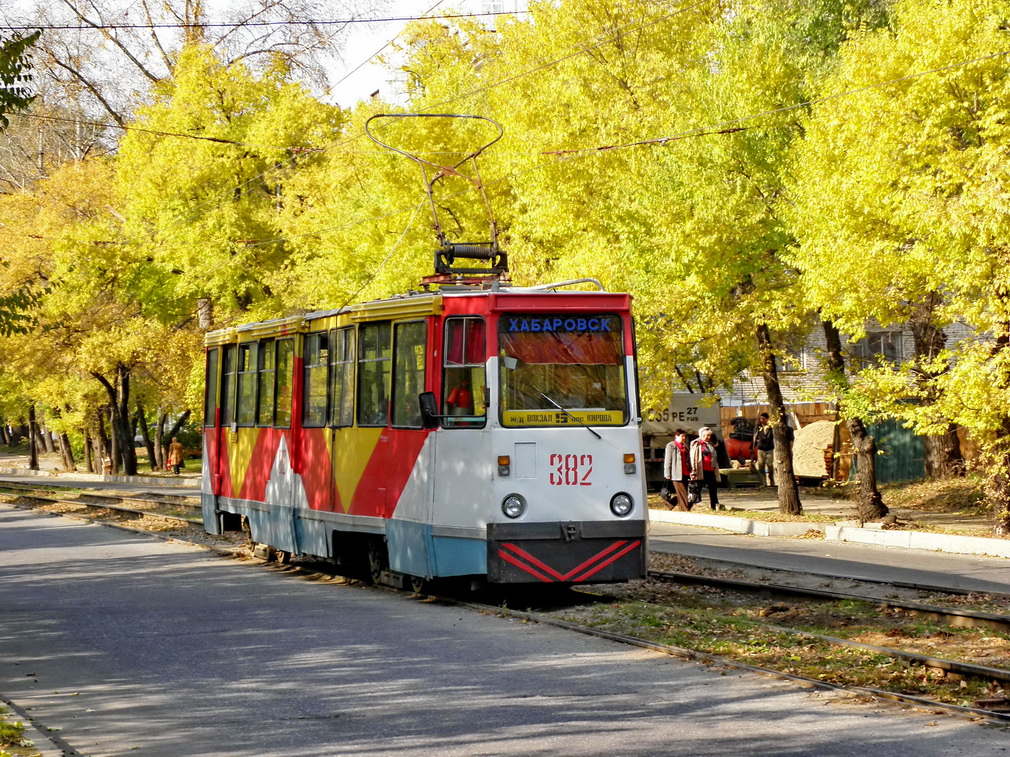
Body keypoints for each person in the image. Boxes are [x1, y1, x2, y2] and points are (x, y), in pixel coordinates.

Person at [690, 426, 723, 510]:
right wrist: (693, 470)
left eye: (709, 435)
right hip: (701, 470)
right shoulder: (696, 443)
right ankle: (689, 504)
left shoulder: (710, 444)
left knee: (713, 488)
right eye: (706, 435)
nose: (707, 437)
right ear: (701, 434)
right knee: (697, 489)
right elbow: (693, 457)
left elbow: (714, 456)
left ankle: (714, 505)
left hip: (710, 469)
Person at [663, 428, 692, 511]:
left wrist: (691, 471)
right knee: (683, 492)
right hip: (676, 473)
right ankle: (684, 509)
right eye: (682, 436)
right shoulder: (671, 445)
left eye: (684, 437)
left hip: (685, 472)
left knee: (683, 492)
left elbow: (688, 459)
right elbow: (668, 460)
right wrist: (667, 473)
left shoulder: (685, 446)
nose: (684, 438)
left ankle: (670, 504)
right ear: (676, 436)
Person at [752, 413, 775, 486]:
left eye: (763, 419)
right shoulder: (759, 428)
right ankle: (763, 481)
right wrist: (752, 447)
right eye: (761, 419)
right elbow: (755, 438)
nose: (762, 420)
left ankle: (772, 481)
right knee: (761, 465)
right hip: (761, 449)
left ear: (767, 419)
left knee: (770, 465)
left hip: (769, 449)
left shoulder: (771, 428)